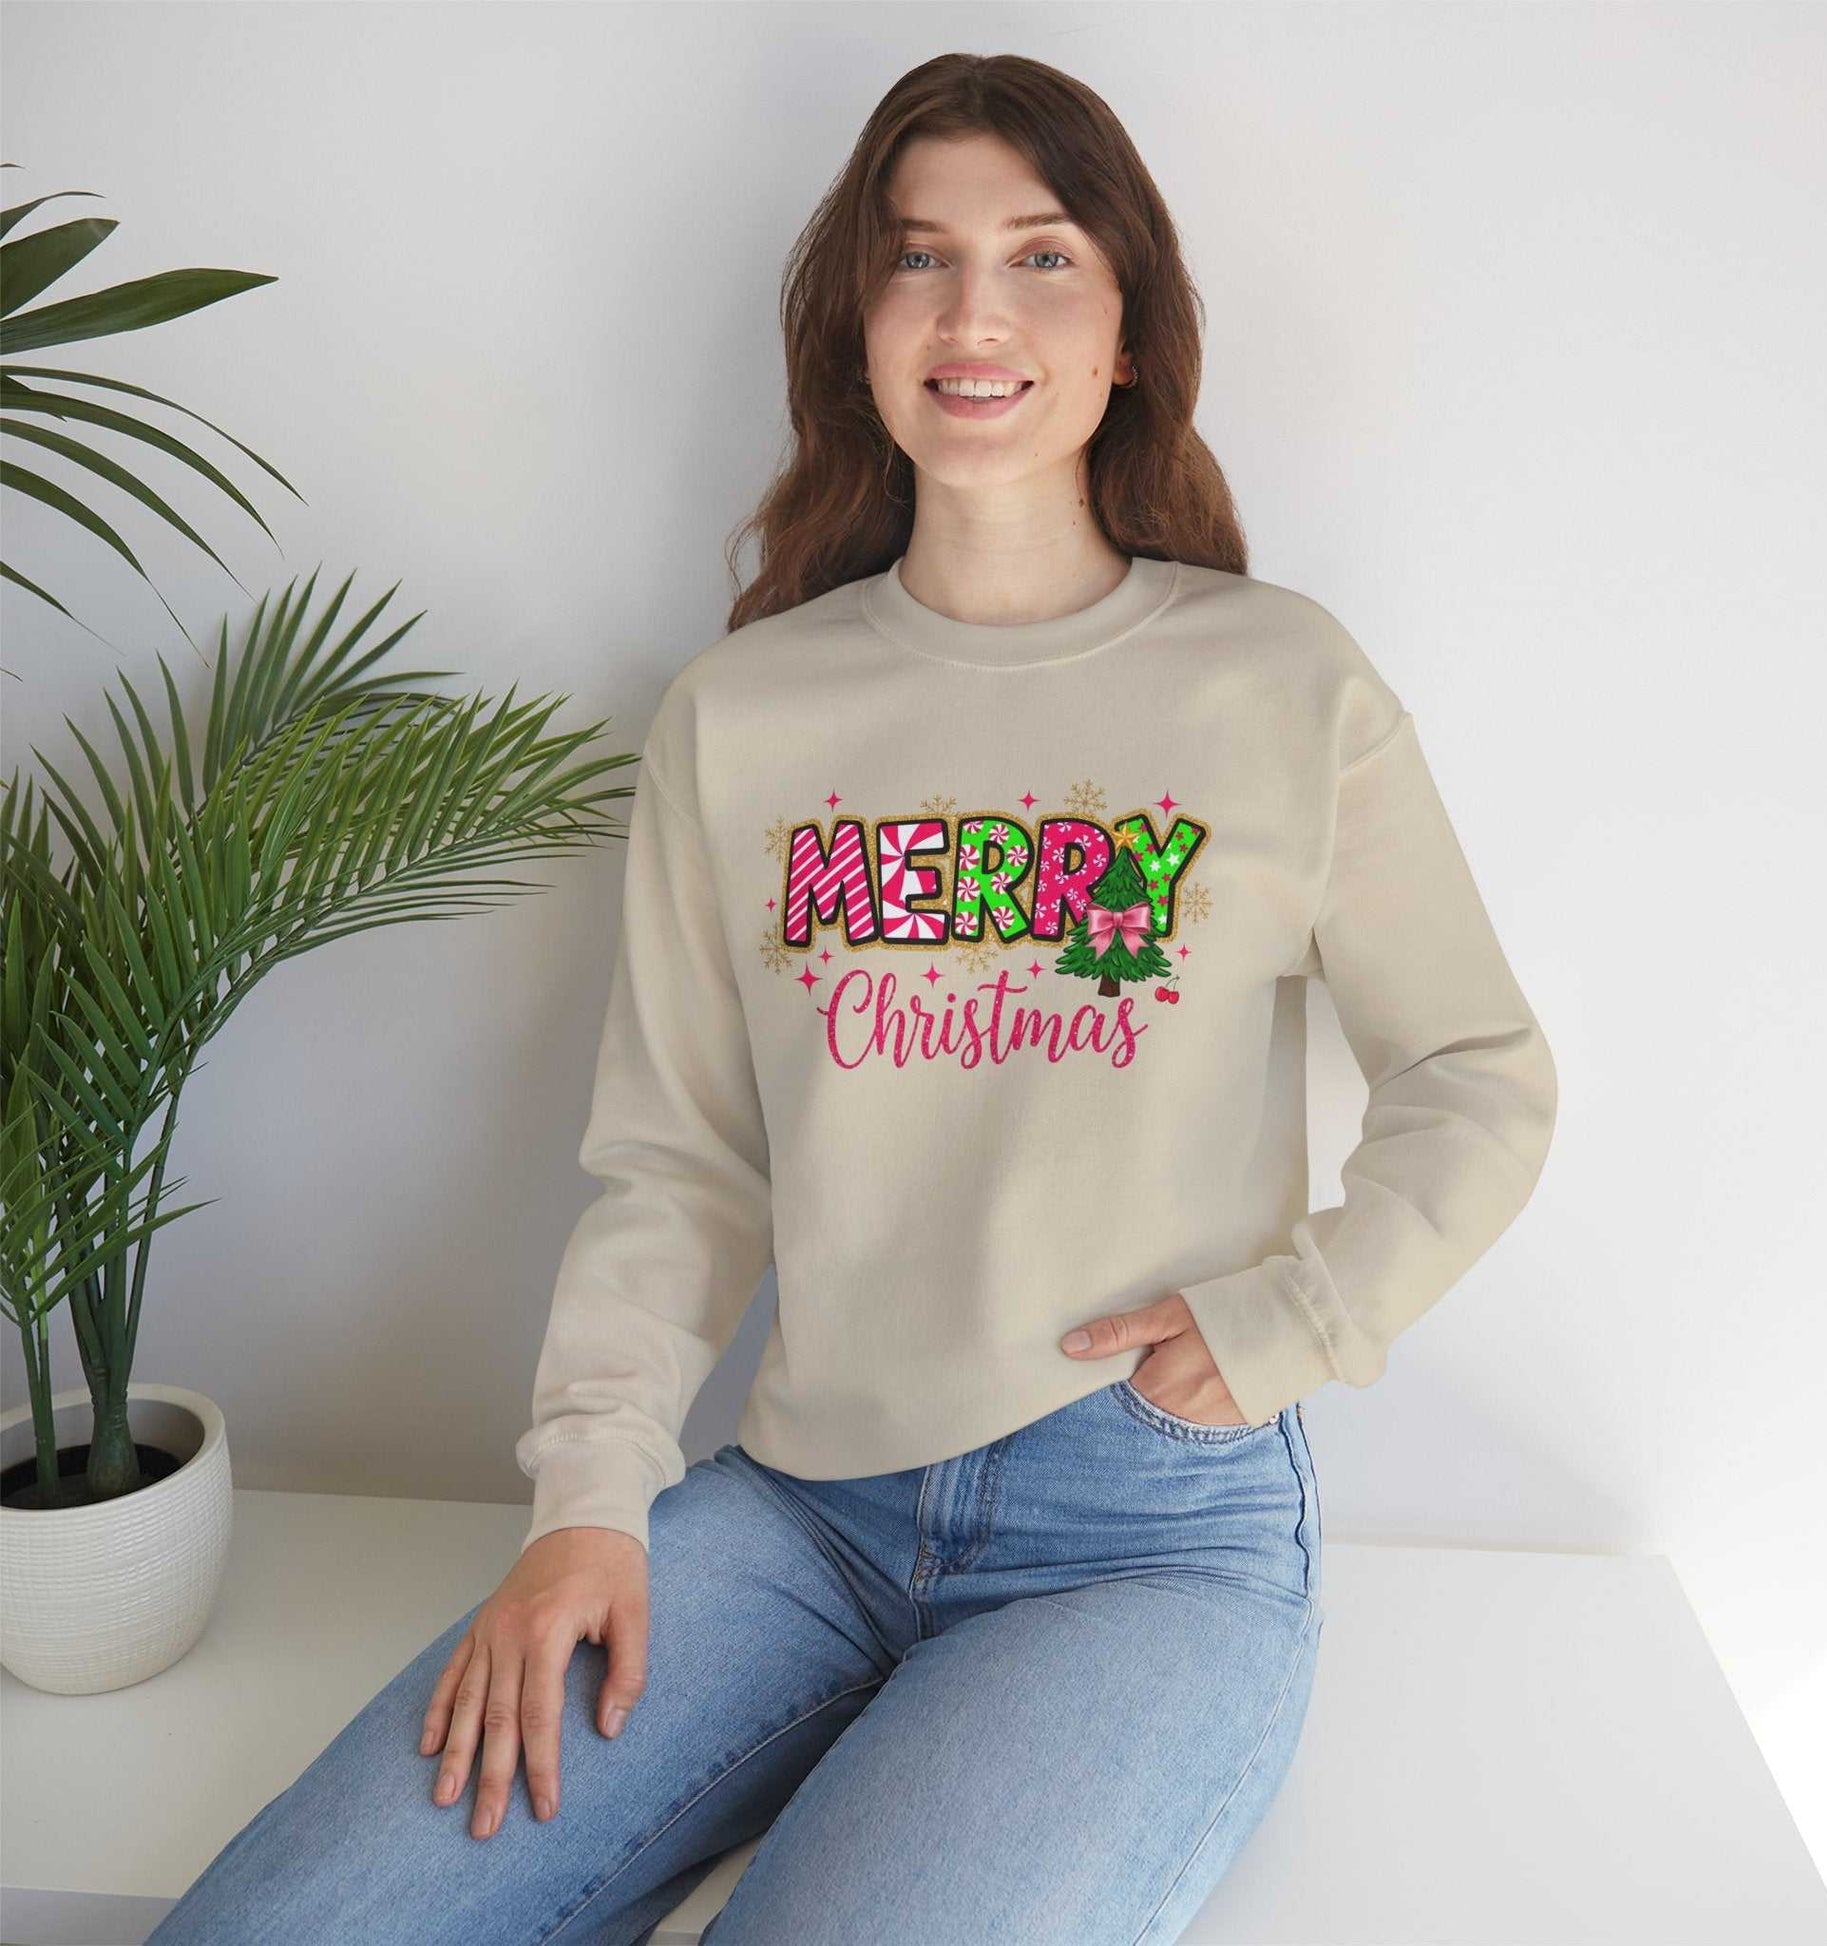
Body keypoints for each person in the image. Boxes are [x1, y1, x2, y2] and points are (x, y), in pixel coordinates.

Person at [148, 51, 1557, 1946]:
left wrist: (1299, 1314)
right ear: (858, 324)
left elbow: (1477, 1070)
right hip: (801, 1507)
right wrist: (589, 1500)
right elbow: (682, 1165)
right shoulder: (744, 714)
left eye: (1040, 257)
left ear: (1128, 330)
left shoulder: (1279, 685)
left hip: (1143, 1532)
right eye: (917, 258)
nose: (973, 312)